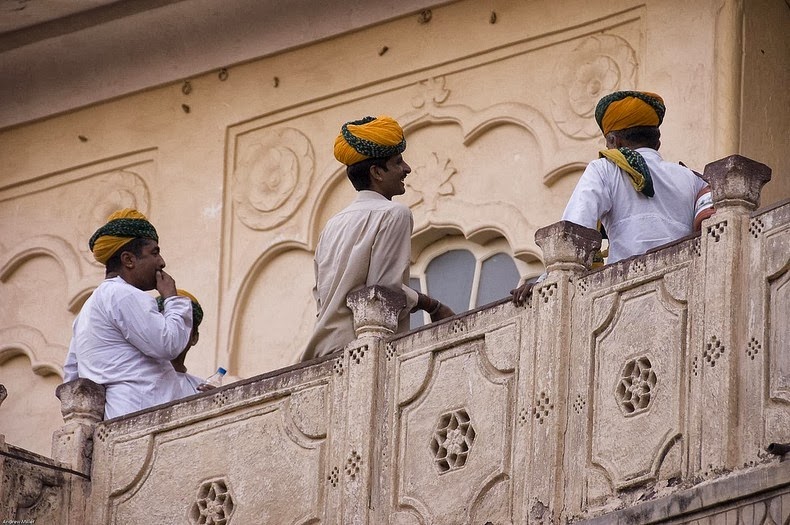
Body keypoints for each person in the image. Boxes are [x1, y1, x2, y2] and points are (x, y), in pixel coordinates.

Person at [512, 90, 714, 305]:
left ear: (613, 140)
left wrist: (546, 282)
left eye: (608, 144)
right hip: (682, 291)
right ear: (657, 144)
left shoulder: (606, 168)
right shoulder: (693, 180)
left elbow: (574, 233)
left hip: (625, 295)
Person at [302, 115, 454, 360]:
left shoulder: (332, 225)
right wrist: (432, 306)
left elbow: (321, 297)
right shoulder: (395, 214)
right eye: (397, 162)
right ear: (377, 172)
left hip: (322, 354)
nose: (407, 169)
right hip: (359, 353)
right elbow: (383, 292)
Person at [63, 209, 193, 419]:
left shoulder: (89, 308)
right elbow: (169, 345)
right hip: (142, 415)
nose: (161, 262)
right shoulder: (124, 295)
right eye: (154, 252)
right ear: (129, 260)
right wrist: (172, 299)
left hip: (123, 416)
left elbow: (71, 376)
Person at [155, 289, 215, 397]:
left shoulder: (199, 389)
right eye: (167, 322)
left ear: (194, 338)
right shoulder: (137, 379)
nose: (175, 331)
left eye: (182, 324)